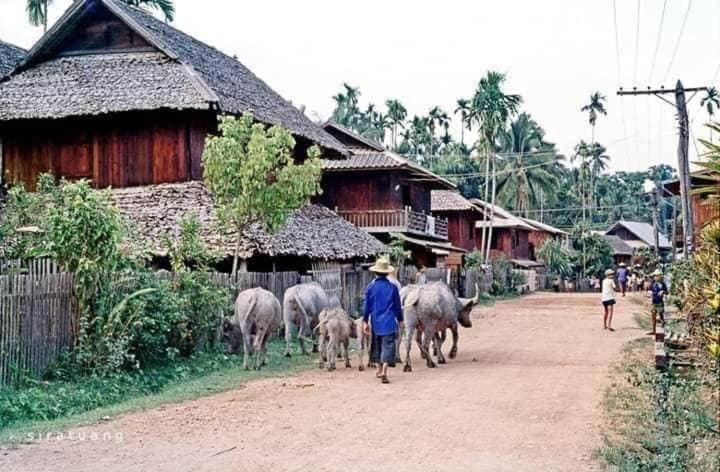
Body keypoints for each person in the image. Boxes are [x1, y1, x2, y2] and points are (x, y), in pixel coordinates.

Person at [363, 257, 402, 384]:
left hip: (376, 322)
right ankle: (385, 370)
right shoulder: (393, 288)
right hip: (389, 321)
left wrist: (364, 321)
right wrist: (400, 320)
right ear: (387, 273)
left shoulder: (370, 288)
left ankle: (379, 370)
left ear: (375, 272)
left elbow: (367, 306)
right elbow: (397, 306)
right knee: (388, 345)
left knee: (377, 345)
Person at [647, 268, 669, 336]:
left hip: (660, 302)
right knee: (653, 316)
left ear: (660, 276)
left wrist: (663, 291)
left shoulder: (663, 284)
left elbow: (667, 292)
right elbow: (649, 290)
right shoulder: (652, 283)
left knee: (661, 316)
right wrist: (649, 293)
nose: (656, 277)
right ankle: (654, 330)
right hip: (654, 301)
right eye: (655, 276)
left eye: (657, 276)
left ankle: (663, 330)